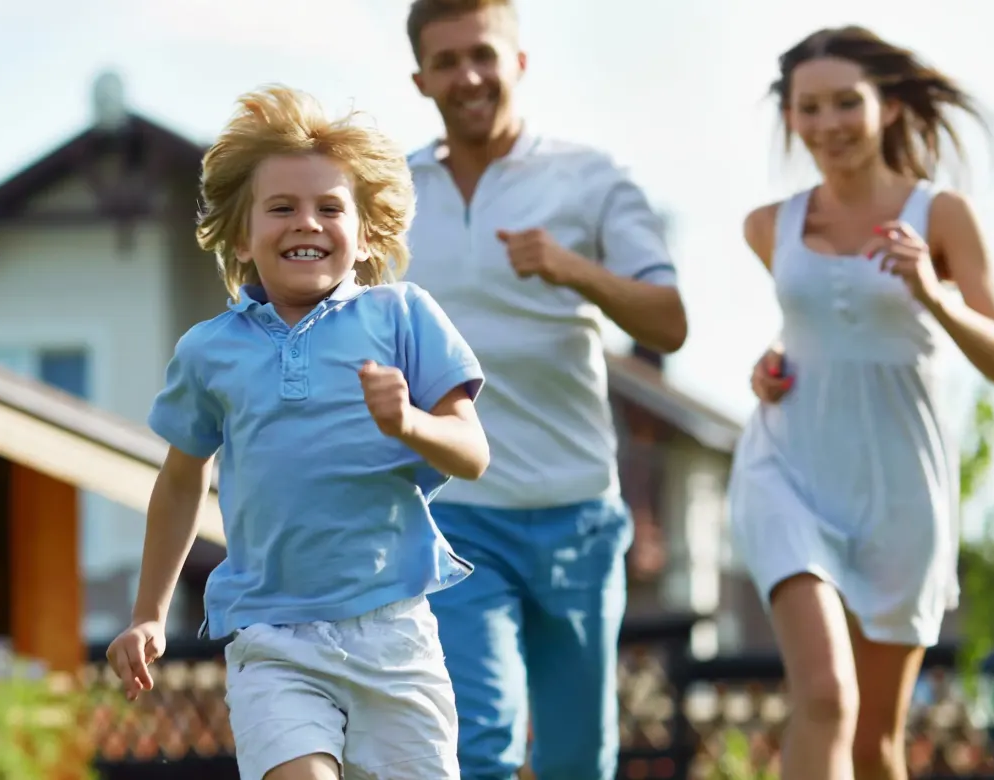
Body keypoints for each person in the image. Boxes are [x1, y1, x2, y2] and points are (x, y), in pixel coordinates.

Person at [104, 85, 490, 780]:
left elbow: (473, 453)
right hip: (273, 636)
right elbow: (184, 476)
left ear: (366, 231)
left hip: (392, 630)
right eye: (281, 208)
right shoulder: (209, 350)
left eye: (329, 208)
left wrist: (407, 422)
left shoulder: (403, 317)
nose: (305, 223)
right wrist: (147, 613)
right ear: (241, 234)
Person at [399, 2, 690, 778]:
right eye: (449, 60)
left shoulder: (592, 180)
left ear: (518, 62)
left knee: (576, 758)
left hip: (578, 516)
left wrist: (574, 270)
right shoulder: (389, 195)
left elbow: (668, 323)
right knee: (478, 741)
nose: (469, 76)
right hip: (456, 512)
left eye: (484, 55)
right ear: (421, 77)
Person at [728, 25, 994, 780]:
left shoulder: (940, 216)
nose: (828, 126)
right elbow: (811, 330)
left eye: (846, 104)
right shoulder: (771, 226)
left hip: (900, 490)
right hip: (787, 471)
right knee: (823, 693)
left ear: (887, 107)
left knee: (874, 745)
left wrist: (932, 293)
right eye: (809, 108)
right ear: (790, 117)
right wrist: (772, 366)